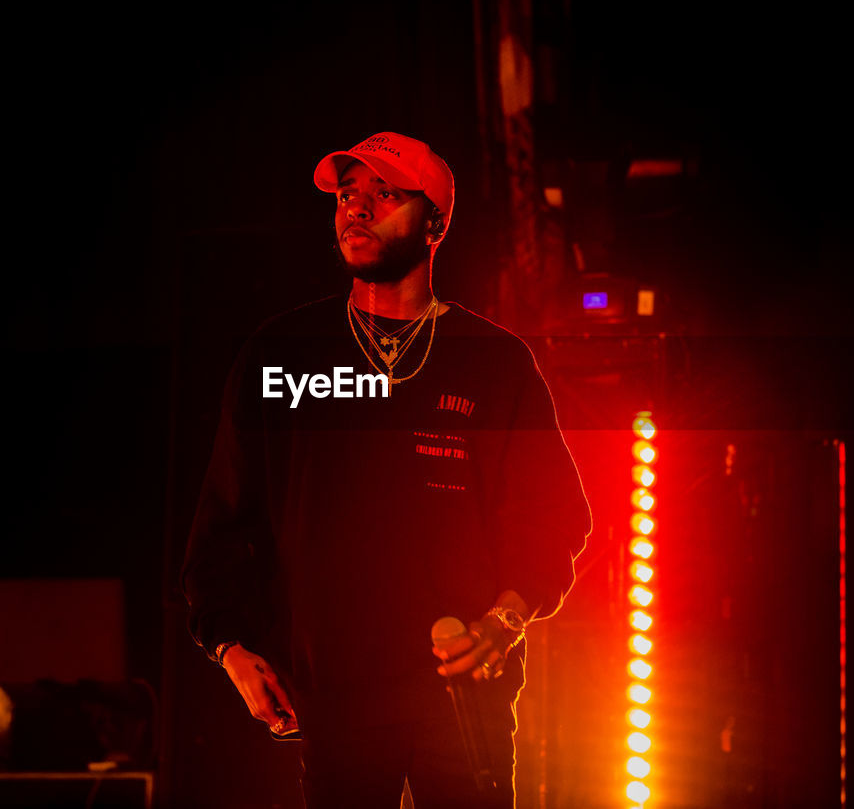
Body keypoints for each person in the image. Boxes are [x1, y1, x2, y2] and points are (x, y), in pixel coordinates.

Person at [181, 131, 591, 808]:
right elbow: (225, 518)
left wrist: (501, 621)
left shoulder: (494, 363)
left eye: (385, 194)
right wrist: (230, 647)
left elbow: (554, 519)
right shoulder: (283, 354)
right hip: (335, 699)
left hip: (464, 707)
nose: (357, 208)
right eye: (347, 194)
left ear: (435, 222)